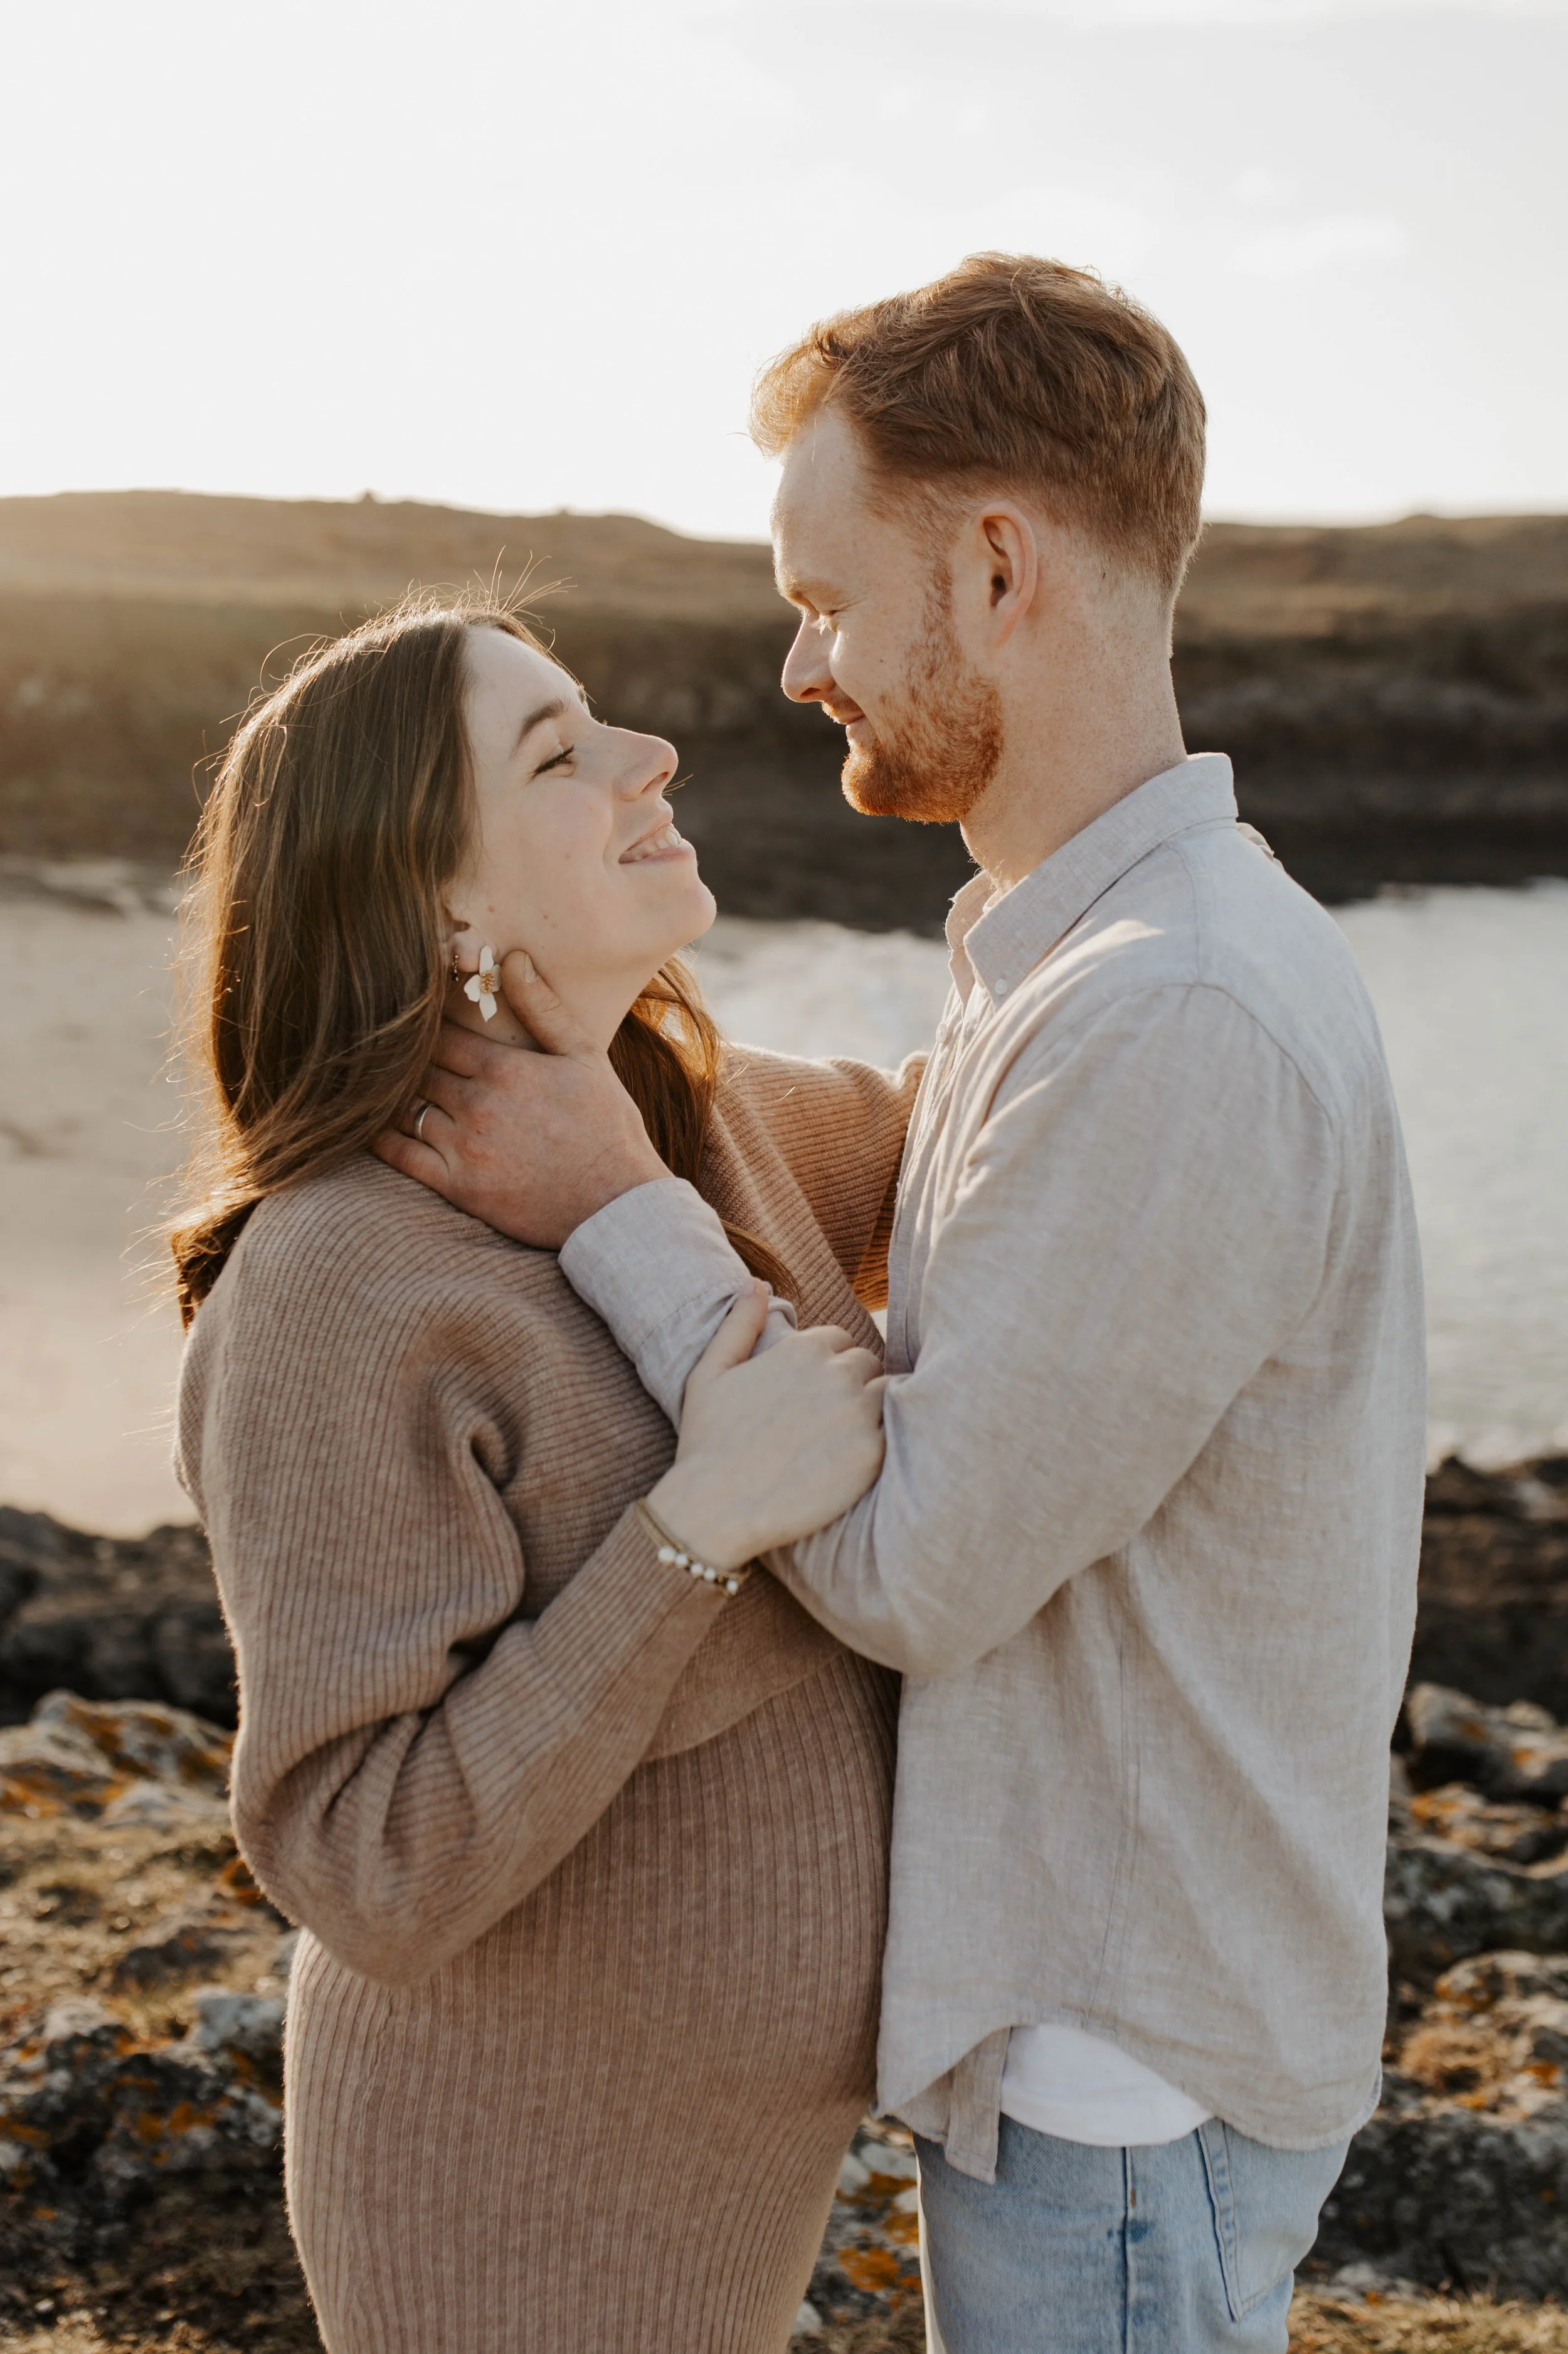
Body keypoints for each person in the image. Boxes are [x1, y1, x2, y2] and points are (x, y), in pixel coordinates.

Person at [381, 255, 1428, 2351]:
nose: (797, 668)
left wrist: (609, 1205)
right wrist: (627, 1079)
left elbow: (909, 1563)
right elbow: (882, 1144)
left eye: (829, 600)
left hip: (1116, 2071)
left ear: (999, 565)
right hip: (1091, 2036)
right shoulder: (1072, 966)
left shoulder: (1172, 1016)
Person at [170, 595, 927, 2353]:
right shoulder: (339, 1282)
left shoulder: (683, 1114)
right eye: (557, 753)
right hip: (510, 2189)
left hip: (734, 2179)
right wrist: (689, 1539)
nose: (646, 756)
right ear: (435, 900)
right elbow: (362, 1861)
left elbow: (953, 1146)